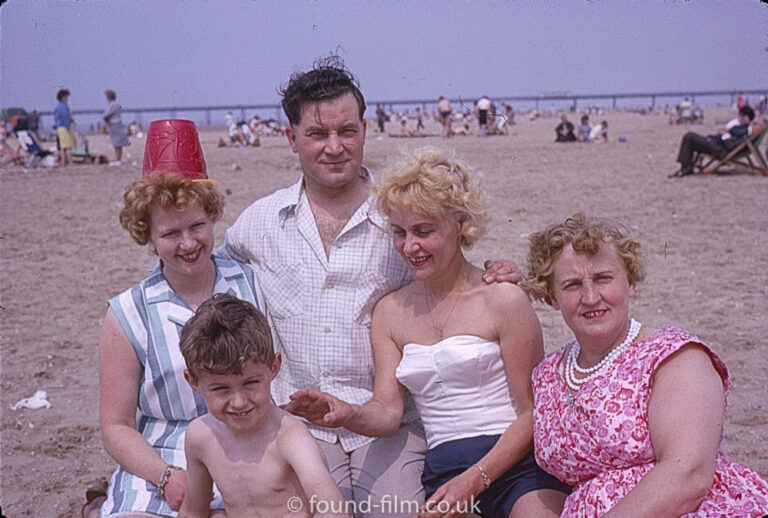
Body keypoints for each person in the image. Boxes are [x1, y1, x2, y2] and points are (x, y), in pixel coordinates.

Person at [218, 56, 520, 517]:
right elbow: (209, 276)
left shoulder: (398, 213)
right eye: (318, 134)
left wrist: (499, 271)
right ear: (291, 138)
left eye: (347, 132)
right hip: (302, 425)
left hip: (394, 424)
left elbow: (449, 266)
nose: (334, 147)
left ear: (364, 128)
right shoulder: (260, 222)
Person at [285, 148, 570, 518]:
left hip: (516, 466)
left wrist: (476, 480)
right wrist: (345, 413)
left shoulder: (502, 298)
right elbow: (388, 412)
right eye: (399, 233)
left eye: (424, 231)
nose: (410, 246)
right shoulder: (389, 311)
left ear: (460, 226)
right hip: (445, 473)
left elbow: (533, 412)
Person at [522, 213, 768, 517]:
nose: (590, 297)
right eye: (572, 285)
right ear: (552, 297)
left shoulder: (673, 356)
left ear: (631, 283)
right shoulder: (548, 375)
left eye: (603, 279)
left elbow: (688, 475)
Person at [90, 119, 263, 518]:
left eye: (198, 226)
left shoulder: (249, 283)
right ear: (147, 234)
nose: (188, 244)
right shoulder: (127, 313)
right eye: (170, 234)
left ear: (213, 219)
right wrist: (166, 476)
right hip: (160, 460)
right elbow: (116, 426)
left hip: (243, 452)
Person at [178, 293, 345, 518]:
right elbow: (193, 512)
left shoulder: (289, 437)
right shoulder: (201, 436)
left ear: (274, 367)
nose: (238, 402)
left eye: (250, 383)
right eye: (220, 389)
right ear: (193, 381)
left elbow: (333, 510)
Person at [669, 105, 755, 178]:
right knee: (692, 139)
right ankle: (687, 168)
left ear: (747, 117)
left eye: (742, 116)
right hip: (716, 144)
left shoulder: (744, 131)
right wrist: (719, 135)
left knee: (689, 137)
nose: (740, 118)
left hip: (720, 150)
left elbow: (730, 146)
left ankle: (685, 169)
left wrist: (725, 134)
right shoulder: (741, 128)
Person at [103, 89, 131, 165]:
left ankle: (117, 160)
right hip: (117, 124)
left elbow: (106, 114)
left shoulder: (113, 104)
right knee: (117, 143)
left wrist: (105, 121)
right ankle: (117, 159)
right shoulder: (116, 104)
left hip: (114, 125)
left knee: (116, 143)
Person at [54, 88, 75, 166]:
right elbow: (66, 118)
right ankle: (70, 162)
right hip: (64, 128)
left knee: (63, 147)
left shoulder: (59, 106)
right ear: (63, 97)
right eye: (67, 97)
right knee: (68, 146)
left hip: (60, 127)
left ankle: (63, 162)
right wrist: (69, 128)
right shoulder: (64, 106)